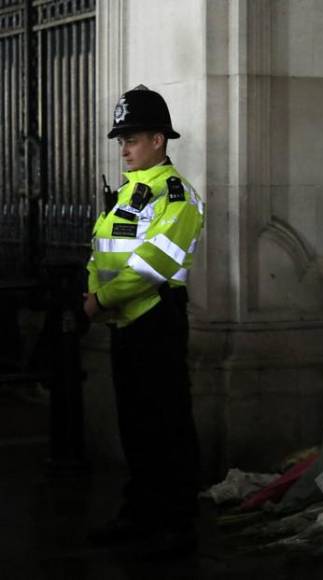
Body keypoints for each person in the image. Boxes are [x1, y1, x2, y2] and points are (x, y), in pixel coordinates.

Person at [84, 85, 205, 550]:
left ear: (159, 140)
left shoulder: (176, 195)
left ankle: (175, 523)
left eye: (131, 139)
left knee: (166, 423)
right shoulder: (131, 192)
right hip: (125, 321)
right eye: (121, 141)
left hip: (155, 318)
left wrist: (100, 300)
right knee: (136, 426)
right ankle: (140, 514)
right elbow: (102, 250)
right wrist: (93, 291)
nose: (124, 148)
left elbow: (153, 265)